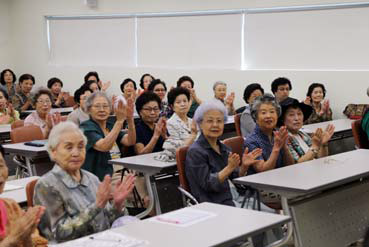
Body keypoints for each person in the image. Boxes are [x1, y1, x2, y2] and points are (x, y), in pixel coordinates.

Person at [33, 122, 135, 242]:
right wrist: (96, 206)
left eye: (81, 147)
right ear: (53, 152)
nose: (76, 153)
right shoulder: (46, 185)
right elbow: (58, 235)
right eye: (69, 147)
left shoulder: (91, 178)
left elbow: (108, 221)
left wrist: (117, 205)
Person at [80, 91, 136, 181]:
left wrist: (130, 119)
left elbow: (130, 141)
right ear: (89, 109)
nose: (102, 109)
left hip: (121, 170)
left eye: (105, 106)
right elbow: (104, 146)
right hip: (102, 177)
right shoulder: (85, 127)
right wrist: (119, 121)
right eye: (97, 106)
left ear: (110, 109)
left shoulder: (110, 125)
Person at [0, 144, 48, 247]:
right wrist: (14, 238)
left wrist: (26, 236)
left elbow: (37, 243)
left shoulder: (11, 207)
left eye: (0, 165)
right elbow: (15, 238)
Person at [243, 94, 295, 175]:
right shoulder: (251, 141)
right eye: (263, 113)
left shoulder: (278, 134)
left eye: (272, 112)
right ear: (255, 117)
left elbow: (291, 166)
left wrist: (284, 147)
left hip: (282, 178)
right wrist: (276, 148)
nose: (268, 116)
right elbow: (263, 171)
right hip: (261, 184)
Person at [154, 87, 197, 161]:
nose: (183, 104)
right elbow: (177, 149)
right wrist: (192, 137)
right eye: (178, 102)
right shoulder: (170, 123)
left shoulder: (192, 121)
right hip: (181, 160)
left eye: (185, 101)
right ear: (172, 107)